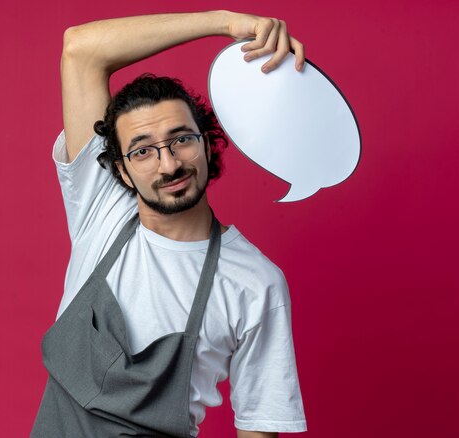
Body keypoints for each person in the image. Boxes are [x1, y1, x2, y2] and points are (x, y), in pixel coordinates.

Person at [31, 10, 307, 438]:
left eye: (181, 139)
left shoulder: (256, 282)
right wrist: (224, 22)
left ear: (208, 145)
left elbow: (259, 425)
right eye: (142, 151)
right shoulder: (100, 208)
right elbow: (81, 50)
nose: (169, 163)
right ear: (120, 171)